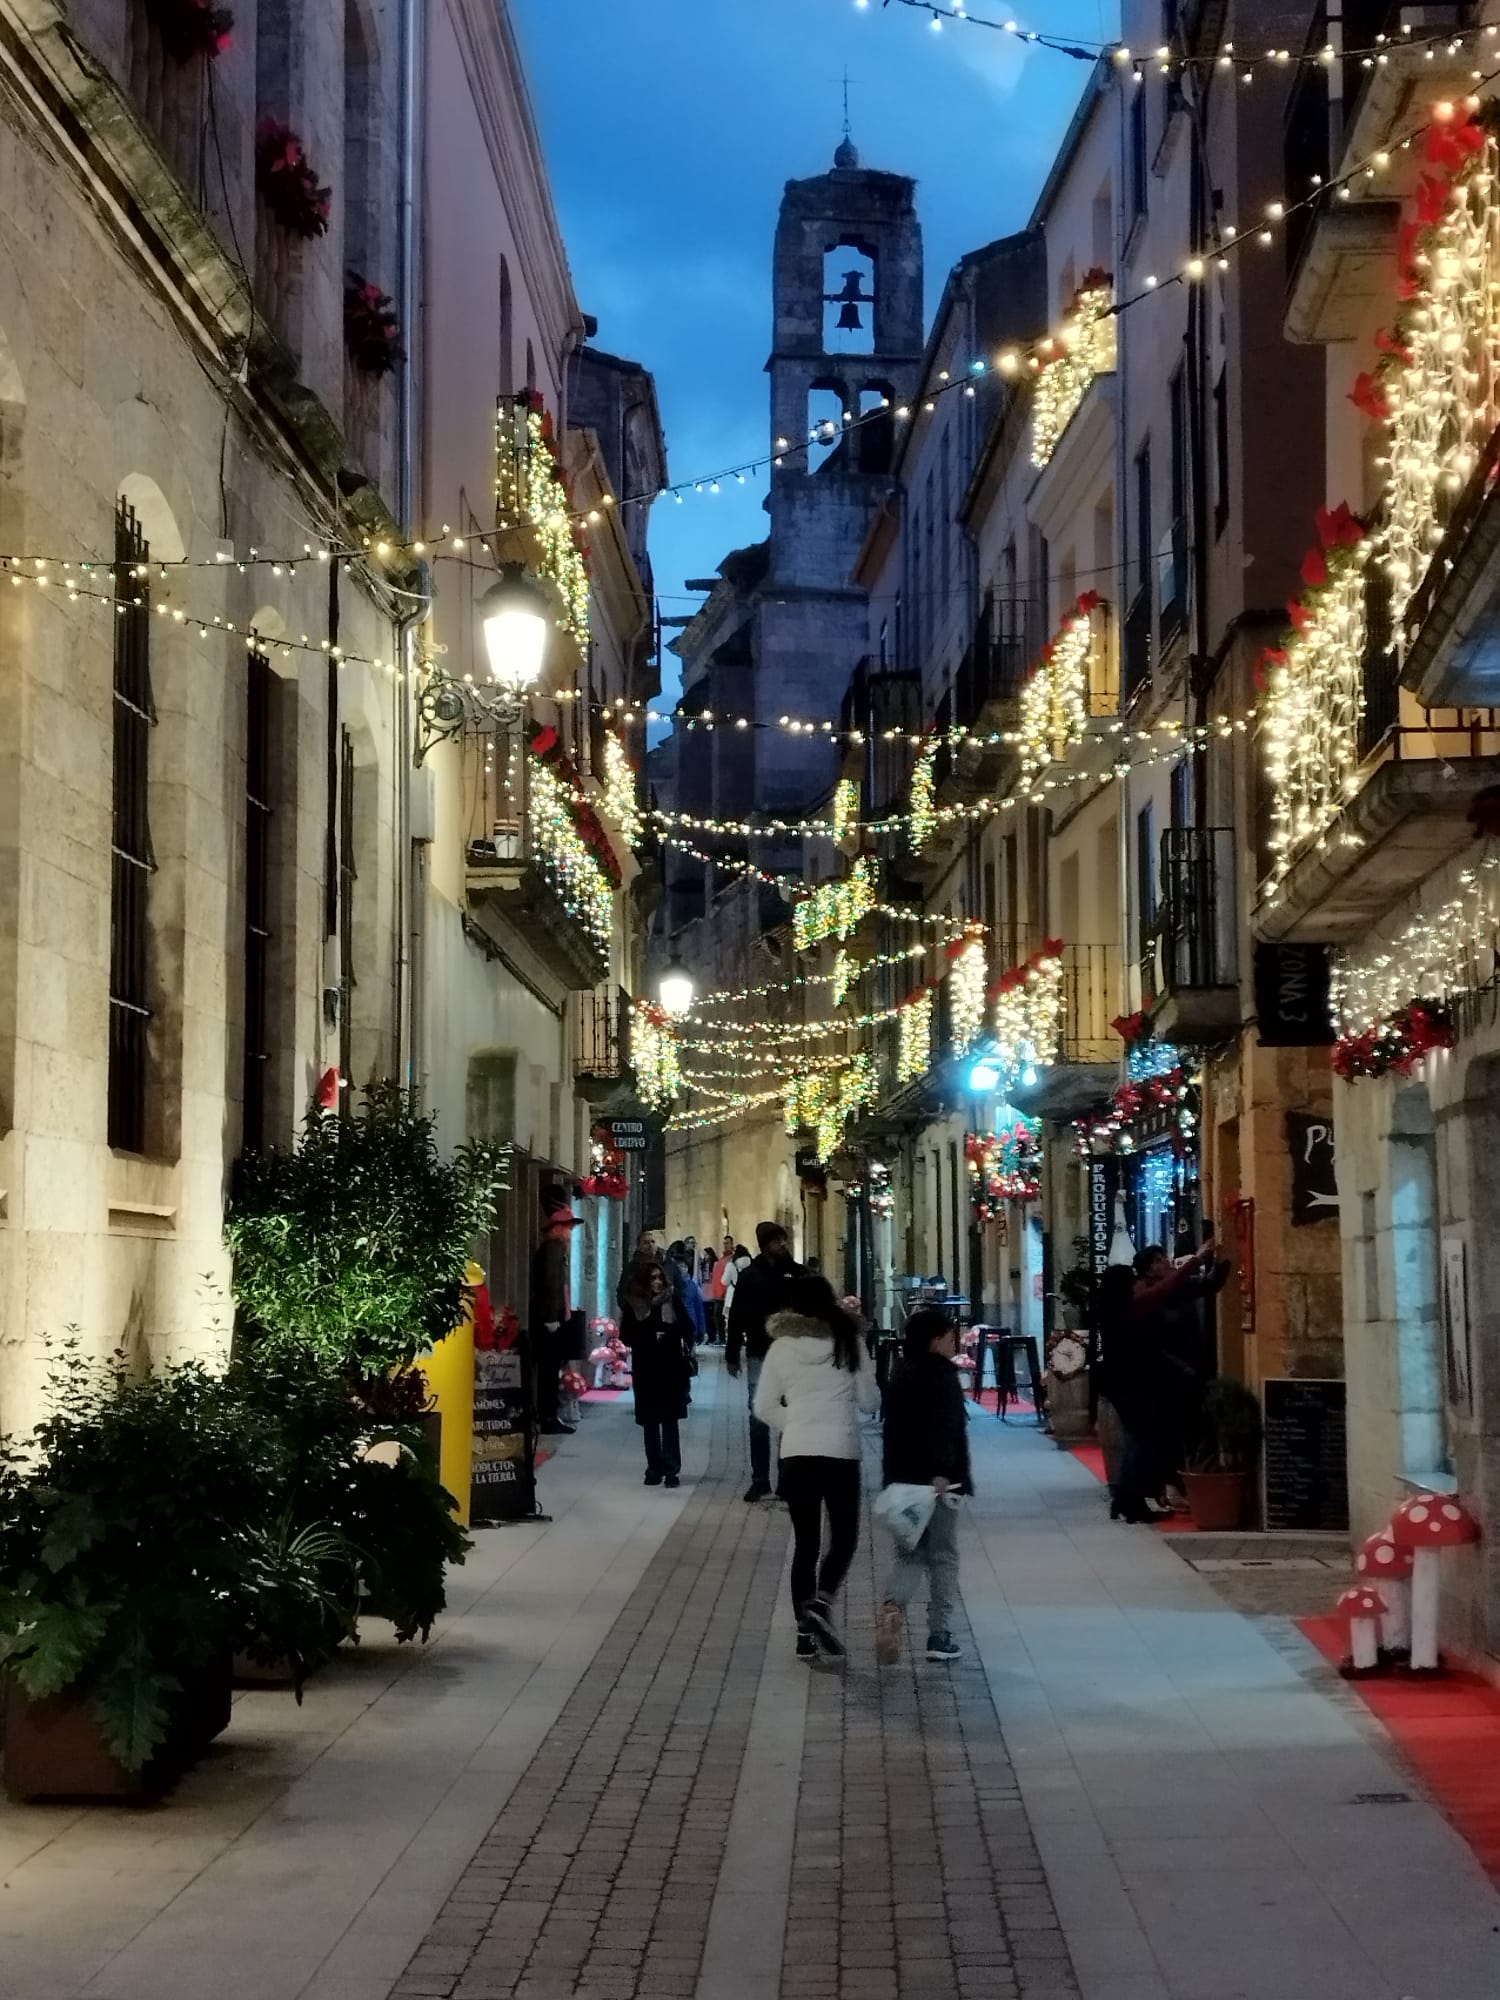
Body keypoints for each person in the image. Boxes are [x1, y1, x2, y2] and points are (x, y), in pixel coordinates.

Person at [754, 1274, 880, 1660]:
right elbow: (869, 1402)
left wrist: (794, 1423)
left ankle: (804, 1635)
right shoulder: (849, 1339)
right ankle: (822, 1601)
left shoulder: (781, 1348)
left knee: (805, 1543)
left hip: (797, 1452)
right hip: (841, 1450)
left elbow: (762, 1406)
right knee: (843, 1538)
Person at [876, 1308, 972, 1664]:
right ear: (935, 1340)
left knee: (908, 1553)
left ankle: (892, 1608)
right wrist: (943, 1471)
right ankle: (939, 1634)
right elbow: (945, 1427)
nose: (953, 1343)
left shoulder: (900, 1372)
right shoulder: (943, 1376)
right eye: (949, 1337)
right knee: (944, 1556)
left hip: (903, 1481)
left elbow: (892, 1430)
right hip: (940, 1483)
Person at [1134, 1239, 1231, 1499]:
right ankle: (1168, 1484)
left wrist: (1224, 1260)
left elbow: (1210, 1284)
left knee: (1195, 1427)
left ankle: (1191, 1483)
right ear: (1146, 1270)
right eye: (1157, 1260)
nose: (1164, 1261)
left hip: (1194, 1369)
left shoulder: (1180, 1287)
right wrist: (1196, 1260)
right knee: (1169, 1431)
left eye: (1163, 1256)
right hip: (1166, 1373)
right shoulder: (1148, 1293)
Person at [726, 1221, 805, 1502]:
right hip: (760, 1352)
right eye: (777, 1241)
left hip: (791, 1353)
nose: (782, 1245)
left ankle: (787, 1478)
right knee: (758, 1415)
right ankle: (760, 1478)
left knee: (788, 1417)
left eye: (784, 1240)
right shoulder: (750, 1276)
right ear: (765, 1244)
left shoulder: (797, 1274)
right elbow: (737, 1316)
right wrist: (732, 1353)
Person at [619, 1253, 694, 1487]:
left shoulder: (672, 1300)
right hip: (646, 1368)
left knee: (670, 1420)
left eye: (660, 1278)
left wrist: (672, 1333)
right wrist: (651, 1336)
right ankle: (654, 1467)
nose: (658, 1283)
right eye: (653, 1279)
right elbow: (627, 1336)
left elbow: (688, 1328)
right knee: (650, 1421)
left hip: (670, 1368)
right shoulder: (636, 1305)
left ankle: (672, 1470)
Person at [529, 1204, 583, 1436]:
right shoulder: (553, 1249)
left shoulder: (557, 1248)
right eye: (568, 1227)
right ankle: (548, 1416)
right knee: (549, 1370)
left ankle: (549, 1414)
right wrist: (552, 1317)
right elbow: (552, 1284)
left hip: (552, 1316)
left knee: (551, 1370)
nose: (571, 1231)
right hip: (549, 1319)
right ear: (559, 1229)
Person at [665, 1239, 707, 1344]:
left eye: (683, 1266)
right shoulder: (668, 1286)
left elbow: (699, 1310)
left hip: (688, 1327)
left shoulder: (692, 1287)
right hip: (675, 1326)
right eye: (678, 1266)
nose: (680, 1269)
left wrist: (701, 1330)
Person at [705, 1233, 737, 1345]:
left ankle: (725, 1339)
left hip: (726, 1294)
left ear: (732, 1244)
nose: (725, 1245)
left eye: (727, 1243)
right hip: (718, 1294)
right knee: (717, 1316)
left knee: (722, 1317)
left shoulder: (732, 1259)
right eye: (724, 1243)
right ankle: (721, 1338)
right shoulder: (722, 1258)